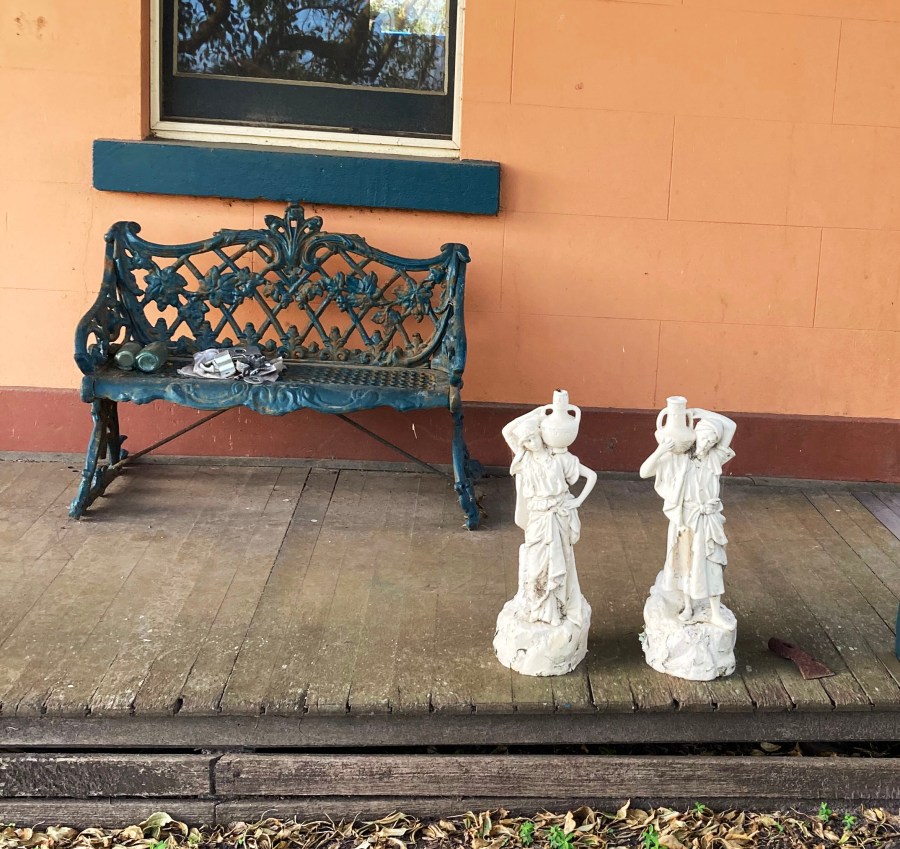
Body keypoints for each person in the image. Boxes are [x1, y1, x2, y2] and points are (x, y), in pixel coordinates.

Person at [639, 408, 736, 629]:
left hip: (708, 520)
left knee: (712, 564)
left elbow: (731, 426)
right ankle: (688, 606)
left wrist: (701, 412)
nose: (707, 443)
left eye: (712, 440)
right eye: (705, 437)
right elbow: (644, 472)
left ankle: (714, 612)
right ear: (695, 435)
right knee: (685, 562)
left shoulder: (714, 458)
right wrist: (660, 450)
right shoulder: (679, 459)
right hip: (686, 520)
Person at [501, 407, 597, 627]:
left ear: (540, 434)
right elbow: (507, 431)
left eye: (533, 437)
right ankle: (537, 609)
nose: (531, 443)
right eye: (526, 441)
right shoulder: (525, 460)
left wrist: (578, 501)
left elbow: (591, 475)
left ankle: (554, 610)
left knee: (557, 564)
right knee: (536, 566)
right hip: (537, 518)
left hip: (557, 517)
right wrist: (538, 412)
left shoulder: (559, 459)